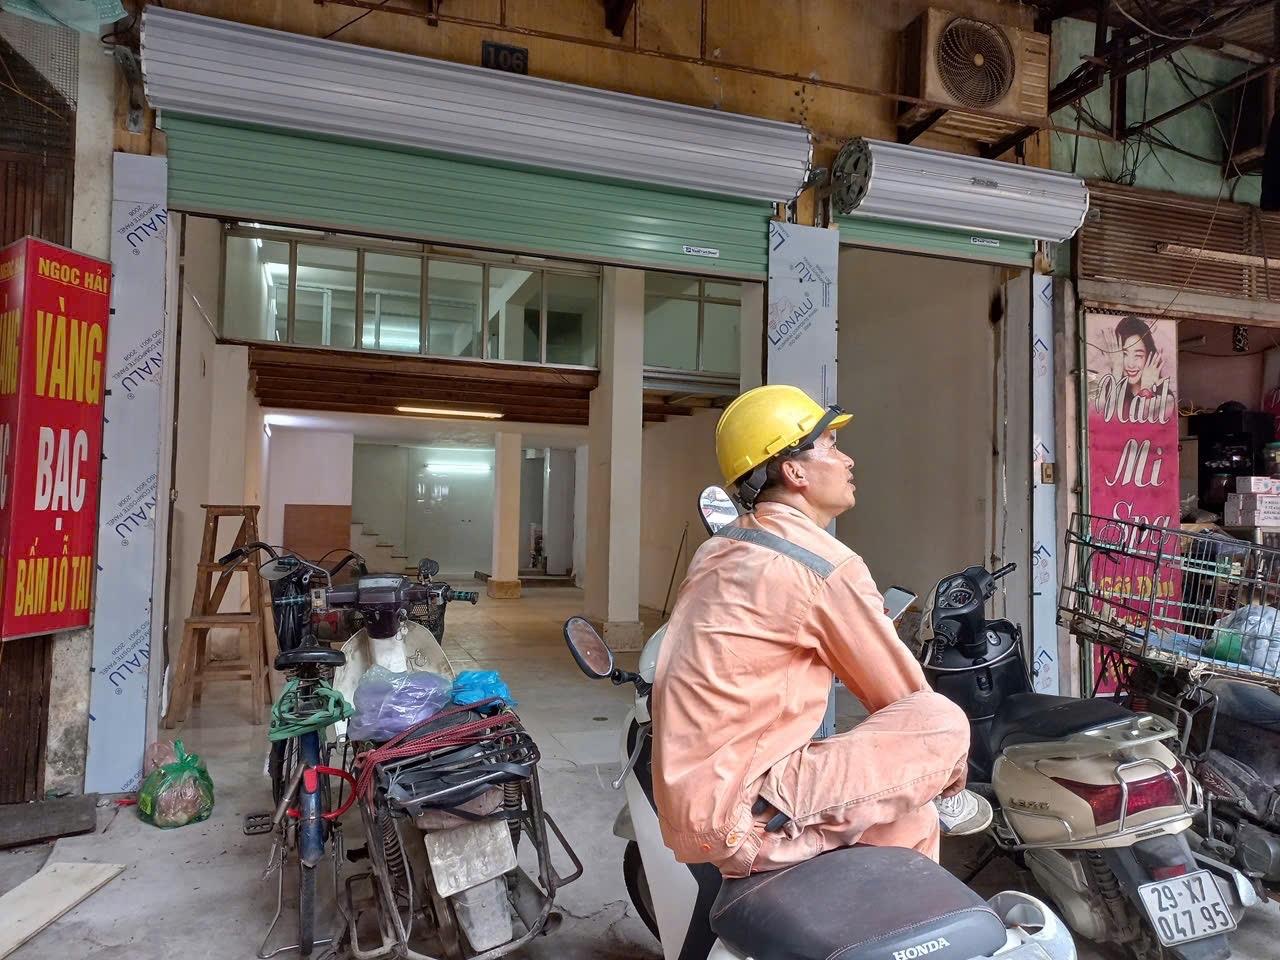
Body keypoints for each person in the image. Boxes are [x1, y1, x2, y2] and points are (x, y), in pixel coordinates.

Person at [650, 384, 991, 878]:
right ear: (795, 472)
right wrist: (947, 774)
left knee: (909, 818)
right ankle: (949, 800)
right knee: (940, 721)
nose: (848, 460)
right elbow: (901, 698)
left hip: (698, 806)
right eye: (831, 445)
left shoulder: (720, 548)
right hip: (745, 812)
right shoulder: (821, 564)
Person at [1117, 314, 1159, 407]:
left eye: (1138, 355)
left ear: (1149, 356)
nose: (1131, 364)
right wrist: (1116, 374)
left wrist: (1146, 390)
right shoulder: (1108, 393)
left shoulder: (1165, 398)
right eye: (1124, 354)